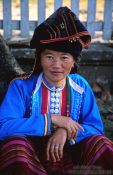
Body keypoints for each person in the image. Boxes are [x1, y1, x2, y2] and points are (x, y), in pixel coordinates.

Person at [0, 6, 113, 175]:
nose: (57, 65)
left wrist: (66, 131)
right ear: (39, 58)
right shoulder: (21, 86)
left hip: (73, 156)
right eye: (49, 57)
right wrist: (52, 120)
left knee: (102, 144)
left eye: (65, 58)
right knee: (15, 147)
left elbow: (96, 128)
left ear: (74, 61)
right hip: (31, 157)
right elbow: (4, 127)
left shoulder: (80, 86)